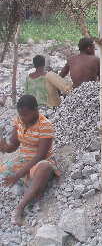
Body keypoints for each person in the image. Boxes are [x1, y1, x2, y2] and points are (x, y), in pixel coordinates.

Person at [0, 95, 60, 226]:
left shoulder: (45, 126)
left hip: (40, 161)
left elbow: (40, 155)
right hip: (23, 159)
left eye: (25, 115)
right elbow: (14, 145)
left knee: (44, 167)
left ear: (36, 110)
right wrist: (5, 147)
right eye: (20, 115)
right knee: (3, 169)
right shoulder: (19, 121)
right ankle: (26, 186)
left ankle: (19, 208)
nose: (22, 118)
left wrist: (17, 175)